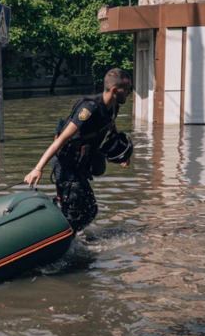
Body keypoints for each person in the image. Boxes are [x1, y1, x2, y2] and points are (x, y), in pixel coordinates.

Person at [24, 68, 132, 232]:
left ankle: (67, 231)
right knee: (74, 211)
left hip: (81, 163)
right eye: (127, 89)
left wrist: (121, 152)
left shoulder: (113, 107)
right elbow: (61, 139)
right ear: (116, 90)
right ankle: (57, 239)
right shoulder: (89, 108)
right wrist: (37, 168)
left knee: (90, 209)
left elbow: (110, 128)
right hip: (66, 163)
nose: (130, 92)